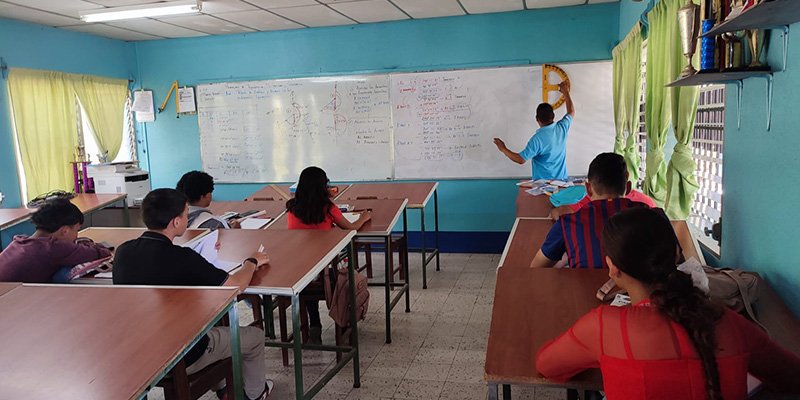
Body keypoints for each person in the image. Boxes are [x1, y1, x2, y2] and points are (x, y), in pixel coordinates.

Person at [536, 207, 800, 399]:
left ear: (612, 268)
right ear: (676, 254)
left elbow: (547, 365)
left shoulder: (604, 327)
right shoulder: (727, 322)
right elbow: (791, 376)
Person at [113, 189, 274, 400]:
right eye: (186, 213)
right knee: (253, 337)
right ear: (176, 222)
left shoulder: (123, 252)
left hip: (138, 351)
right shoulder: (182, 257)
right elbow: (235, 285)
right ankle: (255, 394)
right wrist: (251, 262)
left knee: (214, 327)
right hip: (182, 353)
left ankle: (225, 387)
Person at [285, 166, 370, 344]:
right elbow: (350, 228)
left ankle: (314, 324)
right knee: (348, 274)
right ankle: (345, 322)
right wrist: (364, 217)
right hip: (329, 273)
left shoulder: (292, 208)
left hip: (301, 273)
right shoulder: (328, 207)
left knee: (311, 276)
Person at [531, 153, 648, 269]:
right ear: (628, 187)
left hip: (584, 287)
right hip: (635, 287)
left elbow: (537, 267)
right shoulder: (652, 217)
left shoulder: (568, 223)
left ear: (588, 188)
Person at [0, 198, 111, 283]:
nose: (76, 236)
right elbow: (101, 253)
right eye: (77, 230)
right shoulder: (53, 248)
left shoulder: (18, 241)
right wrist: (89, 245)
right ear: (65, 230)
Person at [493, 81, 575, 181]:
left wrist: (503, 149)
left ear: (537, 119)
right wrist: (565, 92)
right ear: (553, 116)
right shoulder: (562, 127)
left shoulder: (537, 139)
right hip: (562, 183)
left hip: (543, 187)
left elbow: (521, 159)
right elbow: (571, 111)